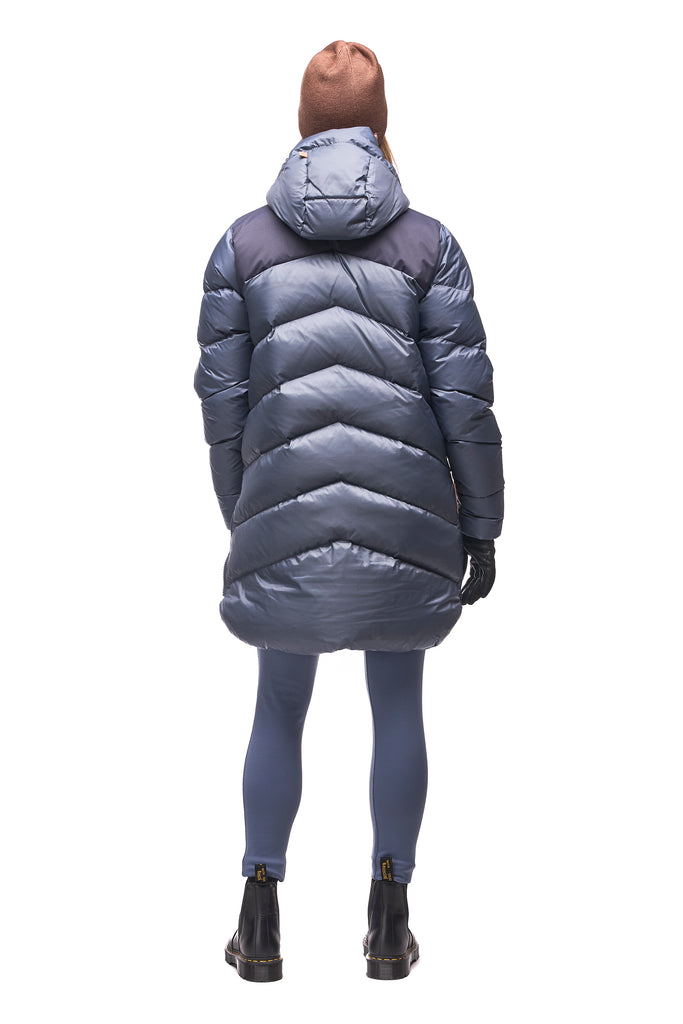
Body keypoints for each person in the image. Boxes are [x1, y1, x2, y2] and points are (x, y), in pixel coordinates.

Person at [193, 39, 504, 982]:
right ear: (379, 129)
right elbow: (465, 404)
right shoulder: (429, 245)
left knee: (278, 706)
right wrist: (481, 529)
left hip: (280, 522)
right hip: (406, 531)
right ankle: (388, 920)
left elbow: (221, 403)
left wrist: (246, 514)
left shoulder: (242, 243)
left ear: (302, 126)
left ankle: (258, 920)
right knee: (397, 704)